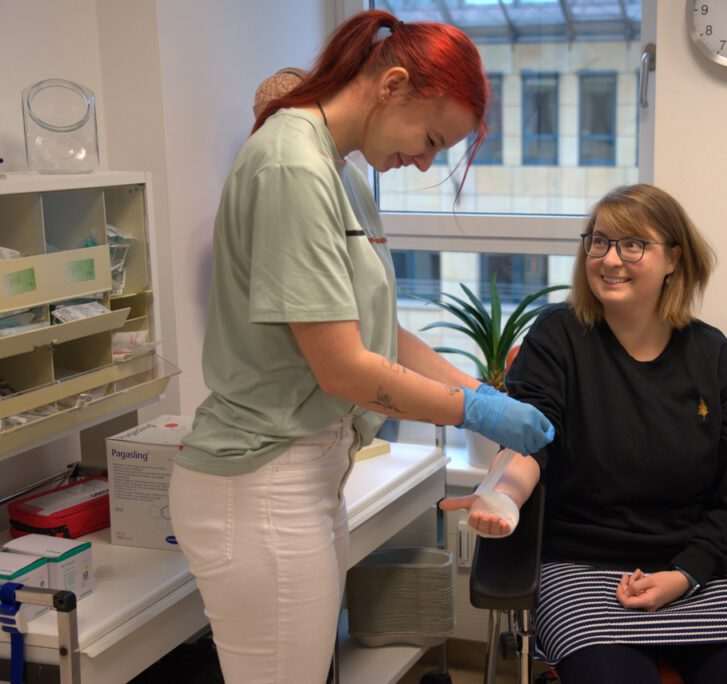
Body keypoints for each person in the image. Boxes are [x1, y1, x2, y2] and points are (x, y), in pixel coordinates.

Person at [168, 10, 554, 684]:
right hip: (262, 479)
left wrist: (480, 392)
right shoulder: (292, 166)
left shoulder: (337, 170)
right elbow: (343, 368)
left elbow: (380, 333)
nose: (426, 160)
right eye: (431, 138)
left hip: (307, 471)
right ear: (392, 84)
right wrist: (470, 413)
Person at [442, 184, 727, 684]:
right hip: (583, 566)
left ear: (674, 258)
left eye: (633, 244)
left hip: (698, 568)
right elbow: (532, 438)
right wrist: (501, 496)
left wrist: (685, 574)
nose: (610, 259)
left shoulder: (711, 356)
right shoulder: (558, 337)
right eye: (599, 241)